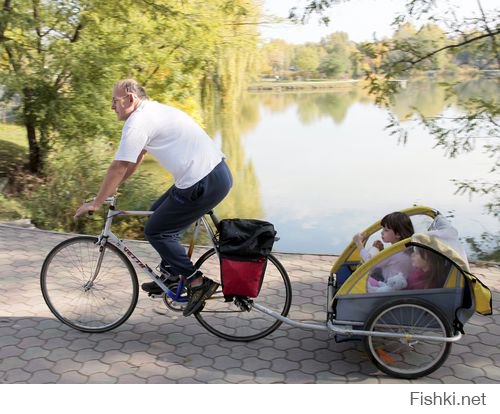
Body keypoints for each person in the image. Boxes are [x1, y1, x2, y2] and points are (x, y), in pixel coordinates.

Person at [74, 79, 233, 317]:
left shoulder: (137, 122)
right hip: (212, 174)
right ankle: (172, 275)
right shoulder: (152, 111)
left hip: (203, 181)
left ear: (130, 98)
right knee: (157, 210)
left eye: (114, 101)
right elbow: (136, 157)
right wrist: (113, 188)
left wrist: (97, 202)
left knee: (156, 230)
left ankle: (196, 282)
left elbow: (118, 166)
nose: (111, 107)